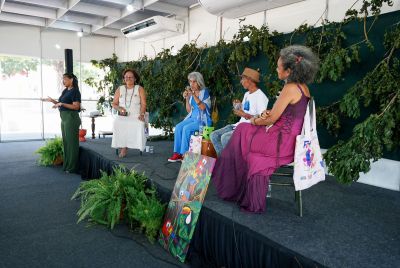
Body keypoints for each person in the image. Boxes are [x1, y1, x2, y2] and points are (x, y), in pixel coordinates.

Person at [212, 45, 319, 213]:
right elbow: (284, 114)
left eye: (278, 67)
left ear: (289, 70)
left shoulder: (290, 87)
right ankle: (238, 182)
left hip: (281, 143)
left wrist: (254, 120)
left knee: (241, 132)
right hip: (287, 139)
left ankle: (233, 183)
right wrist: (265, 116)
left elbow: (272, 118)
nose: (276, 70)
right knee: (242, 132)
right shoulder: (302, 87)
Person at [210, 67, 268, 155]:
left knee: (225, 138)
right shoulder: (247, 94)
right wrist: (239, 106)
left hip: (250, 128)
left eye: (243, 79)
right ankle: (224, 163)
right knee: (214, 135)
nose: (241, 82)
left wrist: (245, 114)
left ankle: (232, 165)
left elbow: (262, 119)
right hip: (238, 125)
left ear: (250, 80)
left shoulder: (261, 97)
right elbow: (246, 110)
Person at [168, 72, 212, 162]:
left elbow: (203, 108)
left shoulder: (204, 92)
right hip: (192, 118)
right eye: (190, 82)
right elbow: (189, 110)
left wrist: (193, 95)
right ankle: (177, 153)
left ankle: (185, 154)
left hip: (202, 120)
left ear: (199, 82)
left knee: (186, 129)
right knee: (178, 127)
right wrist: (187, 99)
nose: (191, 84)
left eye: (194, 82)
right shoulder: (192, 93)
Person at [42, 73, 81, 173]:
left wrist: (62, 103)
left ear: (71, 80)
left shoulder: (75, 91)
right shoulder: (65, 90)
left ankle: (72, 167)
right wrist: (52, 101)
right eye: (63, 79)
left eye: (65, 79)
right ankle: (67, 165)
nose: (63, 81)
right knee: (66, 143)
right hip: (64, 118)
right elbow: (60, 104)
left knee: (72, 144)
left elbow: (76, 107)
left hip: (71, 118)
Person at [111, 69, 147, 158]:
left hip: (137, 115)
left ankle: (134, 145)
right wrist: (119, 108)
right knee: (117, 123)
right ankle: (124, 147)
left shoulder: (139, 88)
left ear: (135, 79)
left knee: (138, 124)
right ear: (124, 78)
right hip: (123, 115)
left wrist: (142, 114)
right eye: (126, 77)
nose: (128, 78)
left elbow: (143, 104)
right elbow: (114, 104)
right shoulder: (120, 89)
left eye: (130, 77)